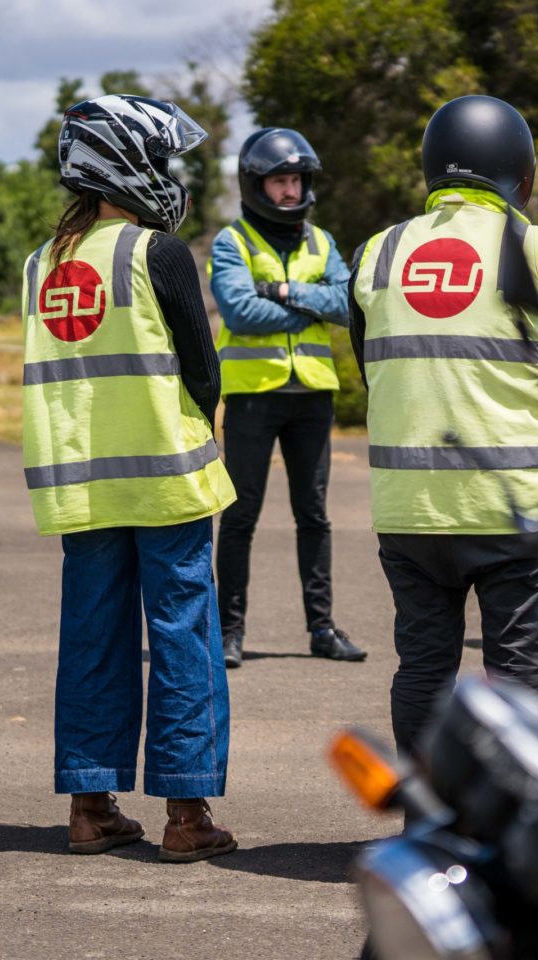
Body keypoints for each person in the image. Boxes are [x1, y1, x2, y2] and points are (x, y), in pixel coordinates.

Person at [347, 95, 538, 758]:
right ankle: (511, 837)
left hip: (409, 510)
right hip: (510, 509)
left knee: (424, 672)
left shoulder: (375, 254)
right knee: (520, 679)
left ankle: (426, 820)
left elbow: (370, 360)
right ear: (518, 175)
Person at [21, 94, 237, 862]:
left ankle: (90, 805)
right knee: (182, 636)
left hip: (79, 486)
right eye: (161, 159)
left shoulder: (39, 264)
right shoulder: (157, 253)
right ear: (128, 162)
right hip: (164, 479)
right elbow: (204, 372)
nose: (168, 174)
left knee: (92, 637)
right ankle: (186, 815)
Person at [207, 128, 364, 669]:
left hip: (313, 396)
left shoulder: (321, 241)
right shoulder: (233, 242)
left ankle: (321, 628)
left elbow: (347, 303)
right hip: (253, 395)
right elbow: (238, 313)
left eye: (296, 179)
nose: (291, 190)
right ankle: (229, 633)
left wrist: (281, 291)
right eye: (280, 181)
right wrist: (309, 305)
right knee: (241, 515)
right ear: (256, 185)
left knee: (314, 516)